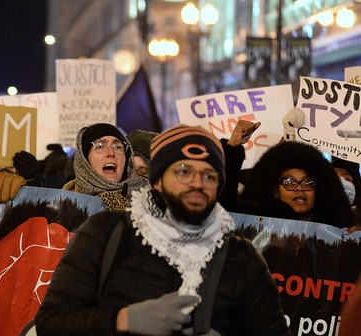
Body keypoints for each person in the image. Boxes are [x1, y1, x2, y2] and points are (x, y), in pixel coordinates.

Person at [36, 124, 289, 335]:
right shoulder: (107, 232)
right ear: (156, 181)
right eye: (183, 172)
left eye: (209, 175)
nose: (197, 183)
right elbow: (51, 324)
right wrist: (123, 319)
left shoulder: (241, 259)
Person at [237, 141, 354, 229]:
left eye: (307, 183)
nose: (299, 188)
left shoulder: (336, 232)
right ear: (276, 192)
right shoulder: (255, 227)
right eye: (289, 182)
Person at [63, 123, 149, 211]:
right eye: (100, 146)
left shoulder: (149, 201)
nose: (111, 153)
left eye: (118, 147)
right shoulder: (62, 207)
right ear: (84, 160)